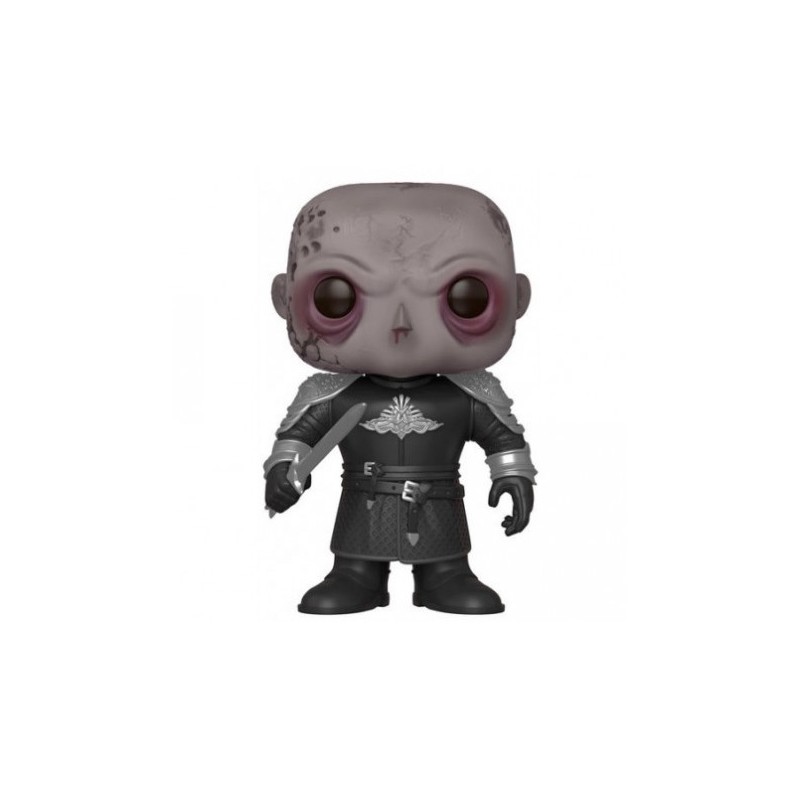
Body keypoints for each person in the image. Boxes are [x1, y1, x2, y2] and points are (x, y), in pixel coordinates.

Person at [264, 183, 536, 614]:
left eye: (466, 298)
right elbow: (297, 439)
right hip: (364, 506)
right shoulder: (332, 395)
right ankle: (357, 575)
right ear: (285, 299)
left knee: (446, 562)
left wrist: (512, 474)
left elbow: (502, 437)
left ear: (517, 298)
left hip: (439, 506)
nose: (401, 325)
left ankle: (445, 575)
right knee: (355, 563)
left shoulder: (469, 395)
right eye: (337, 298)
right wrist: (284, 471)